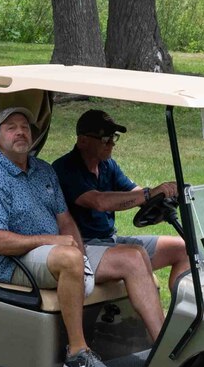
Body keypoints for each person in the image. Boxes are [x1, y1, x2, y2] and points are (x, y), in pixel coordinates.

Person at [0, 107, 166, 367]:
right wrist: (56, 244)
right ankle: (77, 352)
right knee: (68, 257)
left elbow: (64, 220)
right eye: (11, 127)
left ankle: (163, 349)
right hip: (15, 262)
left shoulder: (43, 171)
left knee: (133, 257)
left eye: (25, 127)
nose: (20, 132)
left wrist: (80, 251)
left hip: (55, 253)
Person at [51, 109, 190, 290]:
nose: (111, 144)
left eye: (113, 137)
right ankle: (155, 319)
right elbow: (99, 202)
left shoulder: (107, 165)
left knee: (183, 248)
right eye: (104, 139)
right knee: (135, 255)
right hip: (83, 247)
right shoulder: (65, 168)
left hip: (110, 240)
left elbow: (135, 192)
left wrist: (162, 197)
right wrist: (148, 194)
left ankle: (181, 313)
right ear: (83, 140)